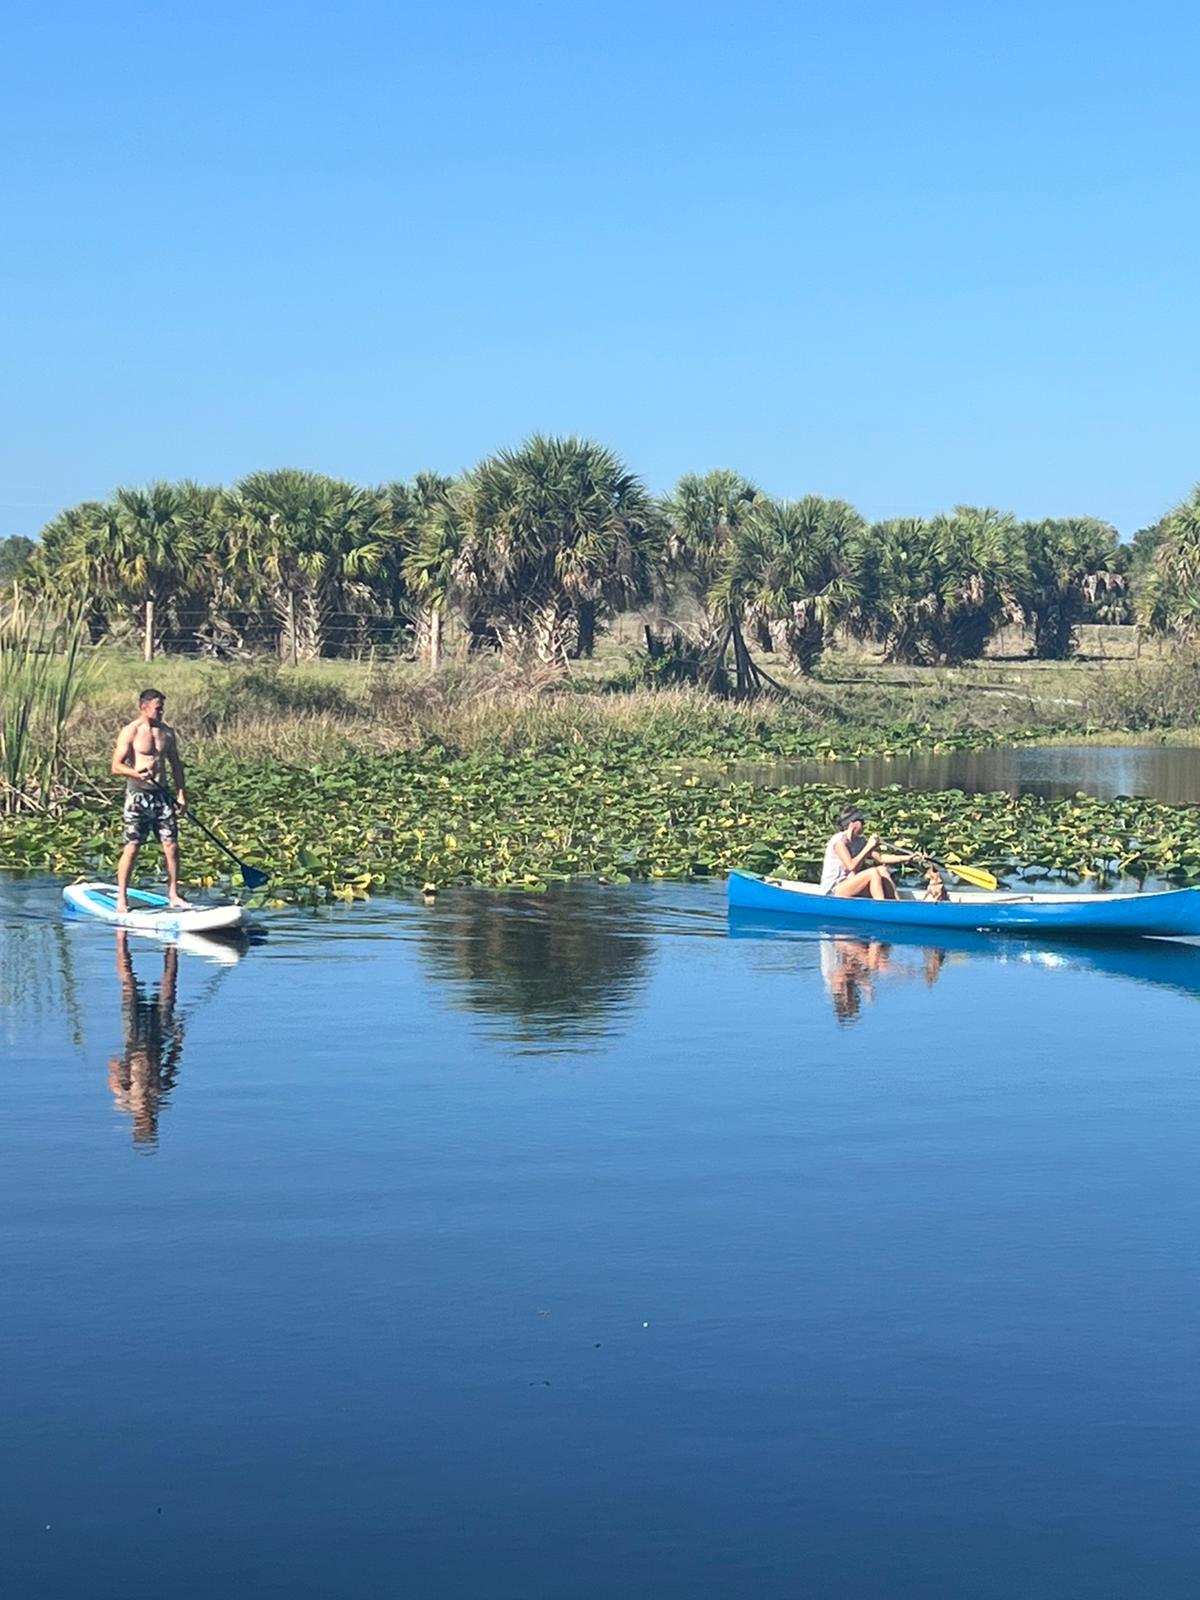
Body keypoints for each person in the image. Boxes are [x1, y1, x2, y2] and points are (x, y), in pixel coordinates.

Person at [111, 687, 189, 913]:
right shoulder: (131, 731)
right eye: (158, 707)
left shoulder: (167, 732)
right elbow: (116, 766)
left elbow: (175, 764)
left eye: (162, 707)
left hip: (162, 795)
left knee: (171, 846)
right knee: (133, 847)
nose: (161, 711)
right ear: (144, 707)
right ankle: (122, 898)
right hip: (138, 796)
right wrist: (135, 773)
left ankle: (173, 893)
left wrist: (181, 793)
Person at [819, 806, 915, 900]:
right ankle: (880, 908)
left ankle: (897, 905)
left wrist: (908, 857)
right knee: (872, 872)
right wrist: (868, 846)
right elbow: (851, 866)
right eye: (862, 822)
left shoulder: (859, 841)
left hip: (850, 883)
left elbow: (880, 858)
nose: (864, 825)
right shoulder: (839, 842)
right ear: (853, 824)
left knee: (882, 870)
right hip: (834, 889)